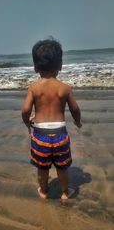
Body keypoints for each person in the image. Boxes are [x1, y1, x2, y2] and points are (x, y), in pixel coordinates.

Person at [22, 38, 82, 200]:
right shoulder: (65, 88)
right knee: (62, 167)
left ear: (35, 67)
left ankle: (44, 191)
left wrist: (27, 121)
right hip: (60, 135)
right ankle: (65, 192)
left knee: (42, 168)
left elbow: (26, 109)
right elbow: (75, 109)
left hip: (40, 135)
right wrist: (77, 121)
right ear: (60, 66)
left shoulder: (34, 88)